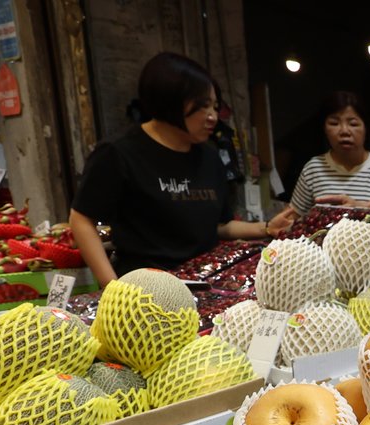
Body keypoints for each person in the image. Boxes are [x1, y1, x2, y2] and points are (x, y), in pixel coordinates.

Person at [70, 52, 295, 285]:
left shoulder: (209, 156)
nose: (213, 117)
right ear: (170, 101)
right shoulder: (119, 152)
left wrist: (267, 228)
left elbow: (220, 226)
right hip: (147, 288)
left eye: (215, 107)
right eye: (203, 106)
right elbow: (81, 220)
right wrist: (112, 288)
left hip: (206, 283)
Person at [288, 91, 370, 214]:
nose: (344, 131)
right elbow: (295, 218)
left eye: (353, 124)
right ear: (324, 129)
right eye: (334, 123)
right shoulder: (313, 169)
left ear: (366, 128)